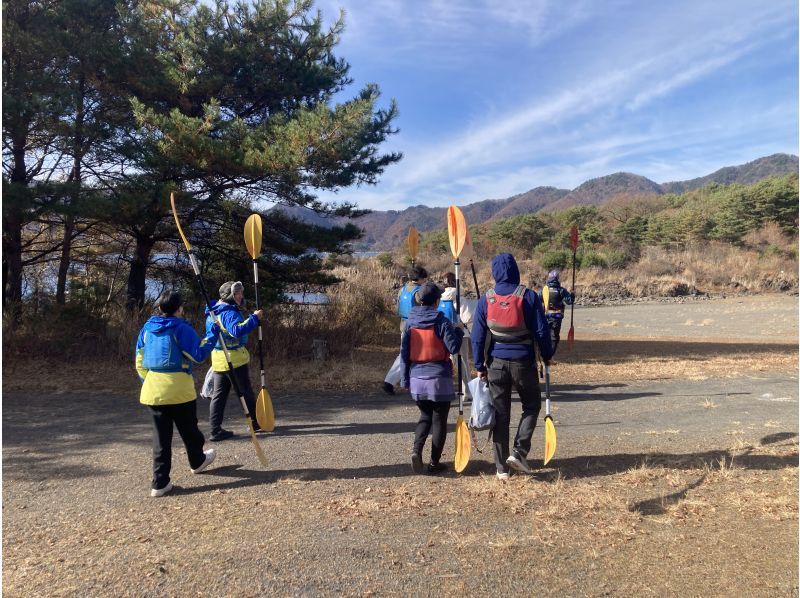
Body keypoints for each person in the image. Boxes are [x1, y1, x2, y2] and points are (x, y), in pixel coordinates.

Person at [470, 253, 554, 480]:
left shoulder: (486, 299)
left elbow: (477, 337)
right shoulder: (529, 296)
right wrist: (547, 355)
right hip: (523, 363)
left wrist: (479, 365)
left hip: (495, 365)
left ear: (494, 273)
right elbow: (541, 331)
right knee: (531, 405)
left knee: (500, 415)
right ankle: (519, 451)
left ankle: (501, 468)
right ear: (516, 271)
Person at [135, 291, 220, 497]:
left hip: (153, 392)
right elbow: (198, 354)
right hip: (179, 390)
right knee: (190, 431)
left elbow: (139, 360)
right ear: (179, 308)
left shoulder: (147, 329)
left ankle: (160, 483)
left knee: (161, 439)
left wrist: (151, 381)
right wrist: (213, 333)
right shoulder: (181, 328)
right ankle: (197, 461)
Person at [400, 282, 464, 474]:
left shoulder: (409, 322)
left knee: (425, 417)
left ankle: (416, 450)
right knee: (439, 421)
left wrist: (404, 379)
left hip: (417, 379)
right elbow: (453, 348)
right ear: (437, 301)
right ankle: (434, 463)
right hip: (439, 379)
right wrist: (459, 331)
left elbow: (404, 354)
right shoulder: (441, 321)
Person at [205, 281, 264, 441]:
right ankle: (256, 423)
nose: (240, 296)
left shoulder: (213, 310)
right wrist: (254, 318)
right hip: (234, 360)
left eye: (240, 292)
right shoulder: (227, 312)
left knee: (219, 395)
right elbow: (237, 331)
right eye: (237, 293)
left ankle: (215, 430)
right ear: (230, 296)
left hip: (218, 360)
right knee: (245, 391)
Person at [383, 266, 428, 395]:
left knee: (405, 354)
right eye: (424, 278)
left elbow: (398, 308)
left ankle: (391, 382)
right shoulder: (419, 291)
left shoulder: (402, 290)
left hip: (404, 325)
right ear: (420, 278)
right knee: (417, 356)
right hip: (417, 327)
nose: (425, 281)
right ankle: (393, 383)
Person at [439, 272, 473, 400]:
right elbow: (468, 317)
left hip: (444, 334)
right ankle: (467, 392)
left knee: (448, 362)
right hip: (460, 334)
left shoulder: (440, 297)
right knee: (463, 363)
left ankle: (446, 390)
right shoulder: (459, 297)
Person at [539, 269, 575, 353]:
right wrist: (572, 295)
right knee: (554, 337)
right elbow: (569, 301)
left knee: (545, 335)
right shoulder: (561, 290)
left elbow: (536, 300)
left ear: (549, 278)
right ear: (557, 279)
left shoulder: (544, 290)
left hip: (546, 317)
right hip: (557, 317)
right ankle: (551, 354)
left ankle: (544, 353)